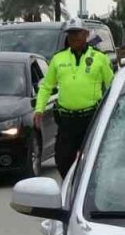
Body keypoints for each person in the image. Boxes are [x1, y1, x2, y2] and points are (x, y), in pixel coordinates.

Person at [34, 18, 115, 177]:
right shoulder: (58, 59)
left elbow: (111, 85)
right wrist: (39, 109)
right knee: (62, 160)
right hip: (67, 121)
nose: (73, 38)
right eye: (70, 34)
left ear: (86, 34)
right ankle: (69, 188)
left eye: (77, 33)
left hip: (90, 119)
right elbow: (46, 86)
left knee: (94, 161)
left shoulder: (99, 58)